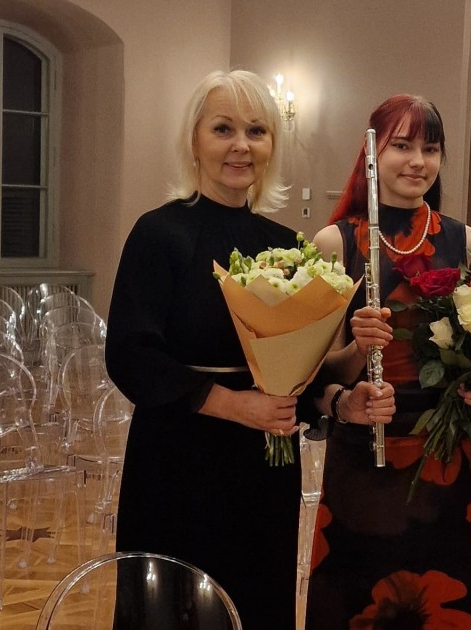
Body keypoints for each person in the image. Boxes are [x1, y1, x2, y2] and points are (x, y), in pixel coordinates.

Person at [104, 70, 393, 628]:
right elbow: (131, 356)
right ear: (194, 140)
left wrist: (343, 395)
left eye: (256, 131)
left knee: (258, 605)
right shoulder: (159, 234)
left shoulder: (284, 244)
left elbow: (302, 376)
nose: (241, 145)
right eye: (223, 129)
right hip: (178, 464)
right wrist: (235, 406)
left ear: (271, 146)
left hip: (262, 472)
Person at [305, 94, 471, 628]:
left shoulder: (469, 242)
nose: (417, 161)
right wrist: (357, 351)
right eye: (402, 146)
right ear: (372, 154)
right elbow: (313, 375)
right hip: (367, 456)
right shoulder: (334, 243)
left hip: (449, 458)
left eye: (430, 149)